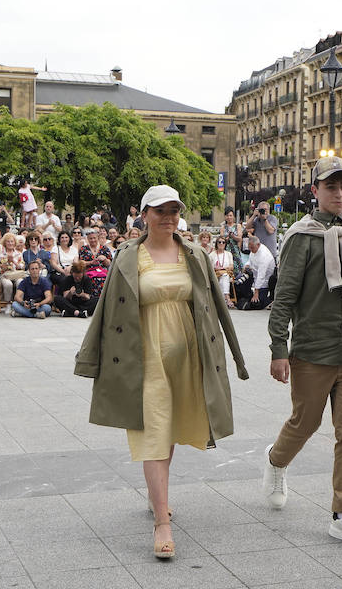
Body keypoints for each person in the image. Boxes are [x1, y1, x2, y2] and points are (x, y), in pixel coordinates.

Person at [75, 184, 248, 560]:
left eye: (173, 210)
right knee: (152, 428)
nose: (167, 217)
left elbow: (217, 308)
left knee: (169, 428)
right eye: (159, 211)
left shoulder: (196, 254)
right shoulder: (127, 256)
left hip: (189, 354)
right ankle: (162, 524)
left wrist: (235, 356)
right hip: (144, 355)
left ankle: (159, 498)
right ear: (144, 215)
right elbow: (105, 311)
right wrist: (90, 359)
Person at [263, 156, 342, 551]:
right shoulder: (301, 236)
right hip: (313, 350)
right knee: (304, 423)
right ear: (315, 191)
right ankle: (276, 461)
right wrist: (278, 350)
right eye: (330, 186)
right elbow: (283, 299)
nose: (339, 193)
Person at [236, 235, 275, 310]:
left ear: (258, 245)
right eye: (249, 247)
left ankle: (271, 299)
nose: (250, 250)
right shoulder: (253, 250)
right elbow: (250, 261)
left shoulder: (264, 255)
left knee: (257, 303)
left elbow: (261, 275)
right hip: (254, 276)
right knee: (239, 279)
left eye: (252, 248)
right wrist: (246, 265)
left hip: (264, 282)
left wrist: (256, 293)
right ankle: (246, 295)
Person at [210, 237, 236, 308]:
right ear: (216, 244)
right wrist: (218, 269)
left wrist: (223, 269)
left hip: (226, 273)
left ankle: (224, 299)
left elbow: (231, 266)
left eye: (223, 242)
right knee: (223, 276)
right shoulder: (212, 255)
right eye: (219, 242)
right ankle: (227, 299)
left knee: (224, 276)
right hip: (216, 274)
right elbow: (210, 267)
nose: (221, 244)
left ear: (225, 244)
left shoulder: (228, 254)